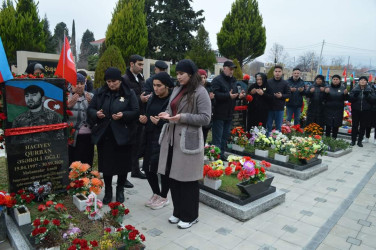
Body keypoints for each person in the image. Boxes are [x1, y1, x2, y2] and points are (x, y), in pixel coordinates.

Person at [157, 59, 211, 229]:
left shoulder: (200, 92)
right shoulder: (178, 89)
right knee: (174, 177)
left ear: (190, 74)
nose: (178, 77)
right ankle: (178, 212)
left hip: (188, 140)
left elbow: (205, 118)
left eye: (181, 74)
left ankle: (191, 216)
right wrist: (166, 114)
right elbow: (170, 108)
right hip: (172, 139)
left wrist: (182, 117)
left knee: (187, 180)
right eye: (177, 73)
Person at [87, 67, 139, 204]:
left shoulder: (129, 93)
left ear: (120, 80)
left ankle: (120, 189)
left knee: (123, 165)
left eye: (114, 81)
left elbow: (135, 111)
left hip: (123, 135)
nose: (111, 84)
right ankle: (108, 191)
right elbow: (90, 109)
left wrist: (124, 115)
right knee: (107, 166)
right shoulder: (100, 93)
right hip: (105, 135)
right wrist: (96, 114)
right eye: (108, 81)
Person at [139, 72, 173, 210]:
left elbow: (174, 120)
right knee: (147, 167)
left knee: (163, 169)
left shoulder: (171, 100)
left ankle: (164, 197)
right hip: (149, 136)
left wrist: (159, 123)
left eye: (159, 86)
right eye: (154, 85)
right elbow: (148, 114)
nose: (156, 88)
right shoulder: (153, 97)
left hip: (164, 139)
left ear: (167, 86)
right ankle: (156, 193)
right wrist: (145, 120)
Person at [211, 61, 246, 160]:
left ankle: (221, 154)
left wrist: (240, 96)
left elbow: (234, 94)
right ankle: (215, 156)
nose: (231, 71)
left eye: (233, 69)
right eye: (230, 69)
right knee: (217, 137)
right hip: (219, 113)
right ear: (224, 68)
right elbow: (215, 94)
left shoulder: (233, 81)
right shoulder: (217, 80)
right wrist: (228, 95)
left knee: (225, 136)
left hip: (229, 113)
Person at [123, 55, 147, 185]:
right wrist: (140, 99)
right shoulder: (125, 79)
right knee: (128, 147)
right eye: (140, 64)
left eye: (142, 65)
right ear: (131, 64)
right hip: (130, 118)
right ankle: (124, 176)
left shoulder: (140, 78)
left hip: (140, 116)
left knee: (137, 145)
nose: (142, 67)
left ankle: (135, 169)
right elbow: (125, 99)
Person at [67, 73, 94, 166]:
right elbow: (58, 116)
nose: (79, 86)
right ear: (71, 84)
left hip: (88, 137)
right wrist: (67, 106)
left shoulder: (90, 96)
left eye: (82, 83)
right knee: (74, 164)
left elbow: (97, 113)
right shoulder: (66, 97)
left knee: (87, 163)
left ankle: (88, 180)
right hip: (73, 137)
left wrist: (93, 105)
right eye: (76, 83)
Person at [348, 76, 376, 147]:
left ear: (367, 82)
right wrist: (355, 96)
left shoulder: (370, 90)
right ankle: (353, 141)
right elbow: (350, 100)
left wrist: (368, 96)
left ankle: (360, 141)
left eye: (364, 80)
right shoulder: (355, 89)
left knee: (363, 126)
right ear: (359, 81)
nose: (362, 81)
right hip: (356, 110)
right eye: (361, 80)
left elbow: (373, 100)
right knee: (354, 126)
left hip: (366, 111)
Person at [266, 65, 291, 134]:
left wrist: (281, 96)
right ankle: (267, 140)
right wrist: (271, 96)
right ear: (273, 72)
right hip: (269, 107)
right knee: (268, 126)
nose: (277, 73)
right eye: (276, 71)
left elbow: (289, 94)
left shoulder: (285, 83)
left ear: (282, 72)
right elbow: (265, 93)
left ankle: (277, 141)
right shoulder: (268, 82)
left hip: (279, 108)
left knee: (278, 126)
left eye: (279, 71)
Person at [323, 75, 348, 139]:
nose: (335, 80)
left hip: (338, 109)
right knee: (328, 124)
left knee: (336, 125)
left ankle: (334, 138)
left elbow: (345, 99)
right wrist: (325, 93)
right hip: (328, 109)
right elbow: (323, 98)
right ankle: (327, 138)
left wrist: (346, 94)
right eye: (334, 79)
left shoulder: (343, 88)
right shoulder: (328, 88)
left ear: (339, 80)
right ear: (332, 80)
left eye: (337, 79)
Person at [198, 69, 215, 143]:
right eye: (201, 77)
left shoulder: (209, 87)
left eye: (204, 78)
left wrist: (213, 98)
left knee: (204, 138)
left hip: (207, 116)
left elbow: (214, 103)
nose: (203, 80)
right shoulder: (194, 88)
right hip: (197, 117)